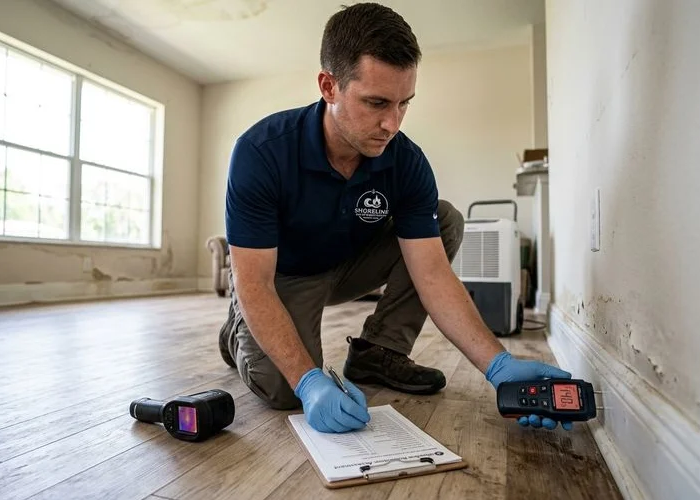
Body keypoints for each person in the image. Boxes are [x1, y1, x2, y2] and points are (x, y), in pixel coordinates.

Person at [218, 2, 573, 433]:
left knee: (444, 220)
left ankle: (377, 352)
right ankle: (236, 332)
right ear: (329, 86)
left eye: (405, 103)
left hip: (349, 265)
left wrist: (498, 365)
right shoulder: (261, 152)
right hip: (282, 277)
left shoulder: (406, 163)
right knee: (282, 390)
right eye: (376, 103)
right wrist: (309, 381)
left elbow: (434, 275)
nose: (392, 123)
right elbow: (254, 281)